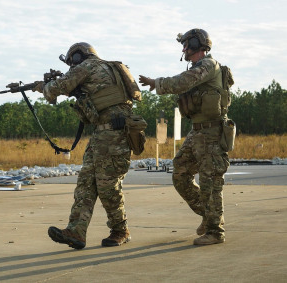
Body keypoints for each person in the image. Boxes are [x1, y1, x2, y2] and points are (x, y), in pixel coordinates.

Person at [32, 42, 139, 249]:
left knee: (108, 186)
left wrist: (43, 87)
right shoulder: (109, 68)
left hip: (114, 135)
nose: (72, 67)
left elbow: (57, 88)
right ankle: (76, 231)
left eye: (72, 62)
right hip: (104, 134)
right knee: (86, 183)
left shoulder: (87, 67)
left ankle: (120, 230)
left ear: (79, 57)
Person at [139, 28, 233, 245]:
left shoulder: (209, 66)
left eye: (186, 44)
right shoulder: (200, 67)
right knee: (180, 173)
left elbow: (184, 81)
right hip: (198, 131)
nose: (183, 49)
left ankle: (215, 231)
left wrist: (157, 83)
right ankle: (209, 216)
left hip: (211, 132)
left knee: (210, 181)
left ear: (198, 45)